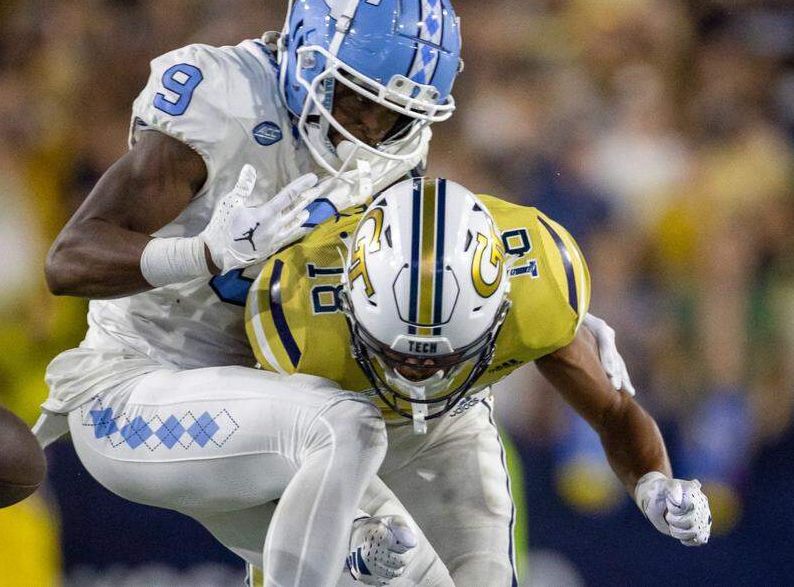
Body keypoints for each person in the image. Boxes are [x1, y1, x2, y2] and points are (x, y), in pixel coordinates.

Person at [36, 0, 464, 587]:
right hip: (132, 392)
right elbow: (67, 261)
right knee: (343, 426)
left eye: (392, 116)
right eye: (354, 100)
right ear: (308, 57)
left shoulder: (392, 156)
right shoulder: (225, 98)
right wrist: (204, 253)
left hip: (270, 416)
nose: (369, 132)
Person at [244, 177, 712, 586]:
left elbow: (613, 413)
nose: (416, 376)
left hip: (453, 428)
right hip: (325, 444)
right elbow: (267, 466)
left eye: (441, 359)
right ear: (348, 302)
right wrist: (351, 532)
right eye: (397, 356)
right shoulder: (297, 312)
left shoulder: (538, 290)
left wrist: (653, 484)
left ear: (497, 310)